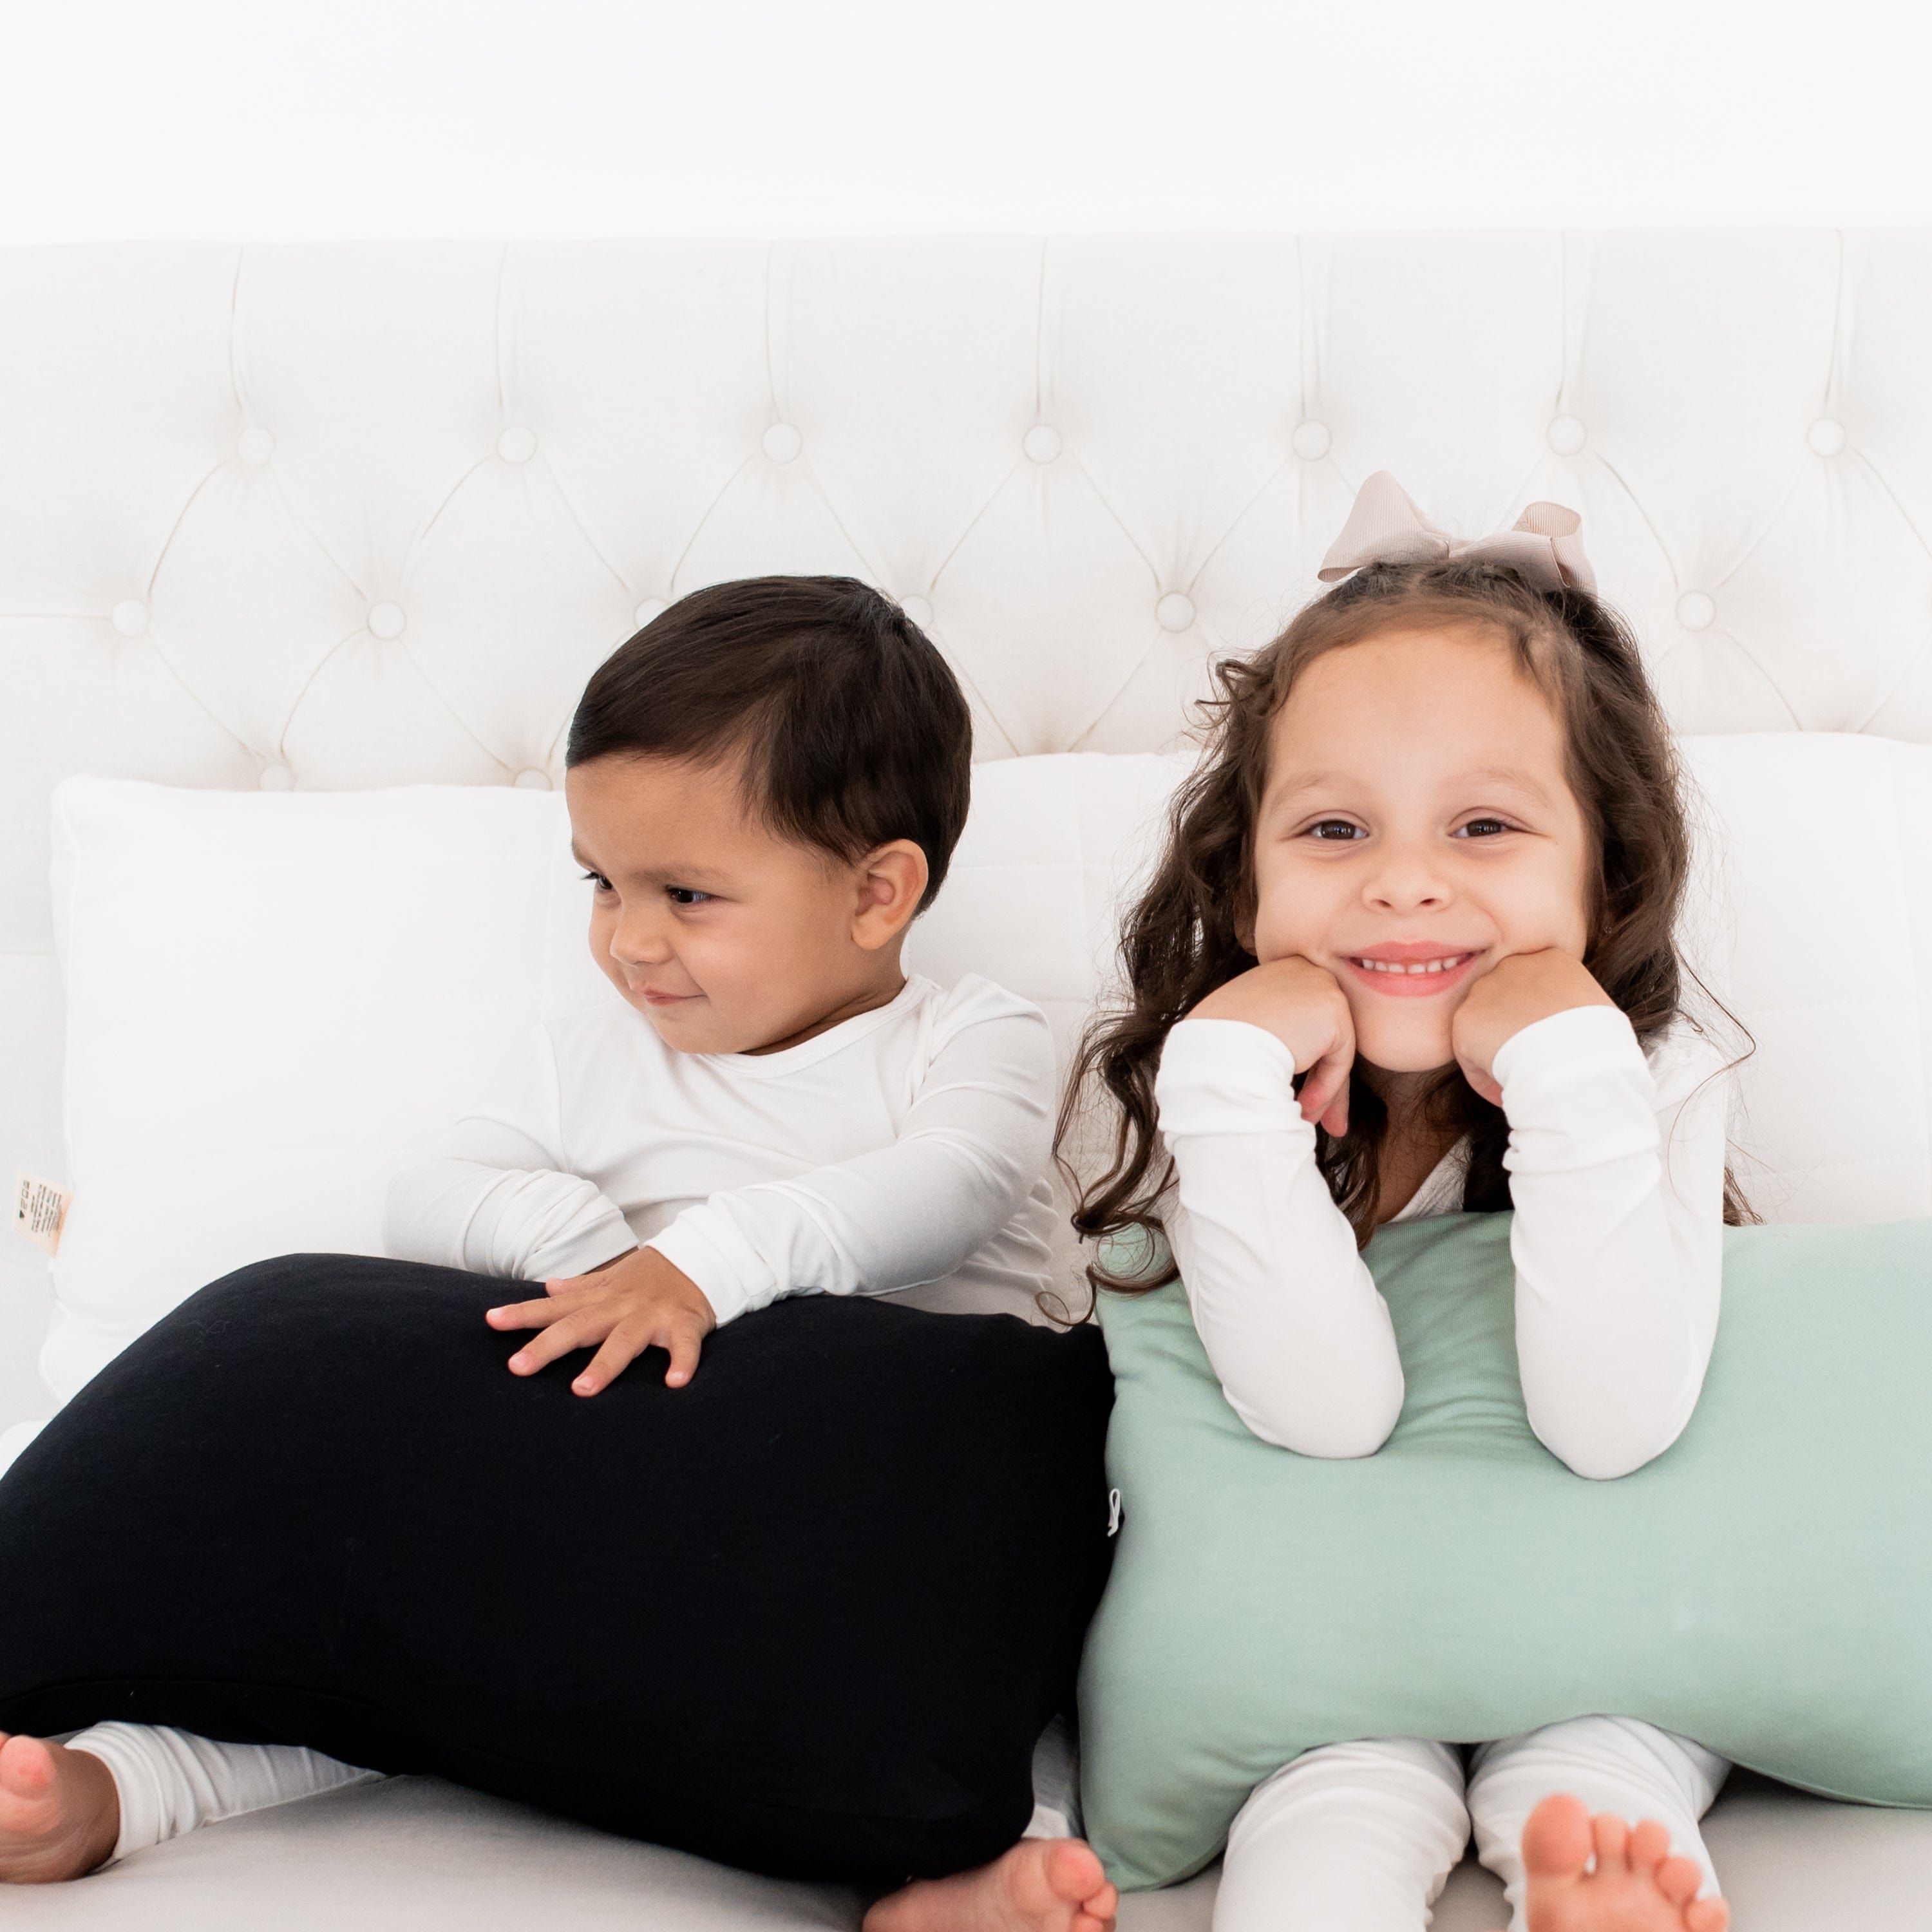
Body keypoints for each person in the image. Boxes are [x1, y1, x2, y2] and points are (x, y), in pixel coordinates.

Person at [0, 576, 1118, 1932]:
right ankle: (130, 1781)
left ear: (880, 893)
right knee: (420, 1603)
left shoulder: (966, 1038)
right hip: (637, 1481)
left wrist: (700, 1269)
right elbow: (437, 1189)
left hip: (851, 1493)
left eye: (687, 894)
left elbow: (950, 1190)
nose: (629, 940)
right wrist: (592, 1260)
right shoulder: (601, 1055)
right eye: (603, 883)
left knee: (940, 1602)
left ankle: (959, 1867)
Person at [1063, 475, 1744, 1932]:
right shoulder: (1222, 1076)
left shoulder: (1658, 1074)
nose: (1407, 889)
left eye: (1486, 827)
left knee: (1605, 1752)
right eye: (1333, 834)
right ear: (1243, 886)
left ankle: (1588, 1862)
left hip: (1609, 1615)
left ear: (1604, 869)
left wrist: (1568, 1063)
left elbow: (1613, 1419)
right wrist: (1229, 1086)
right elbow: (1327, 1413)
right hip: (1342, 1640)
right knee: (1326, 1792)